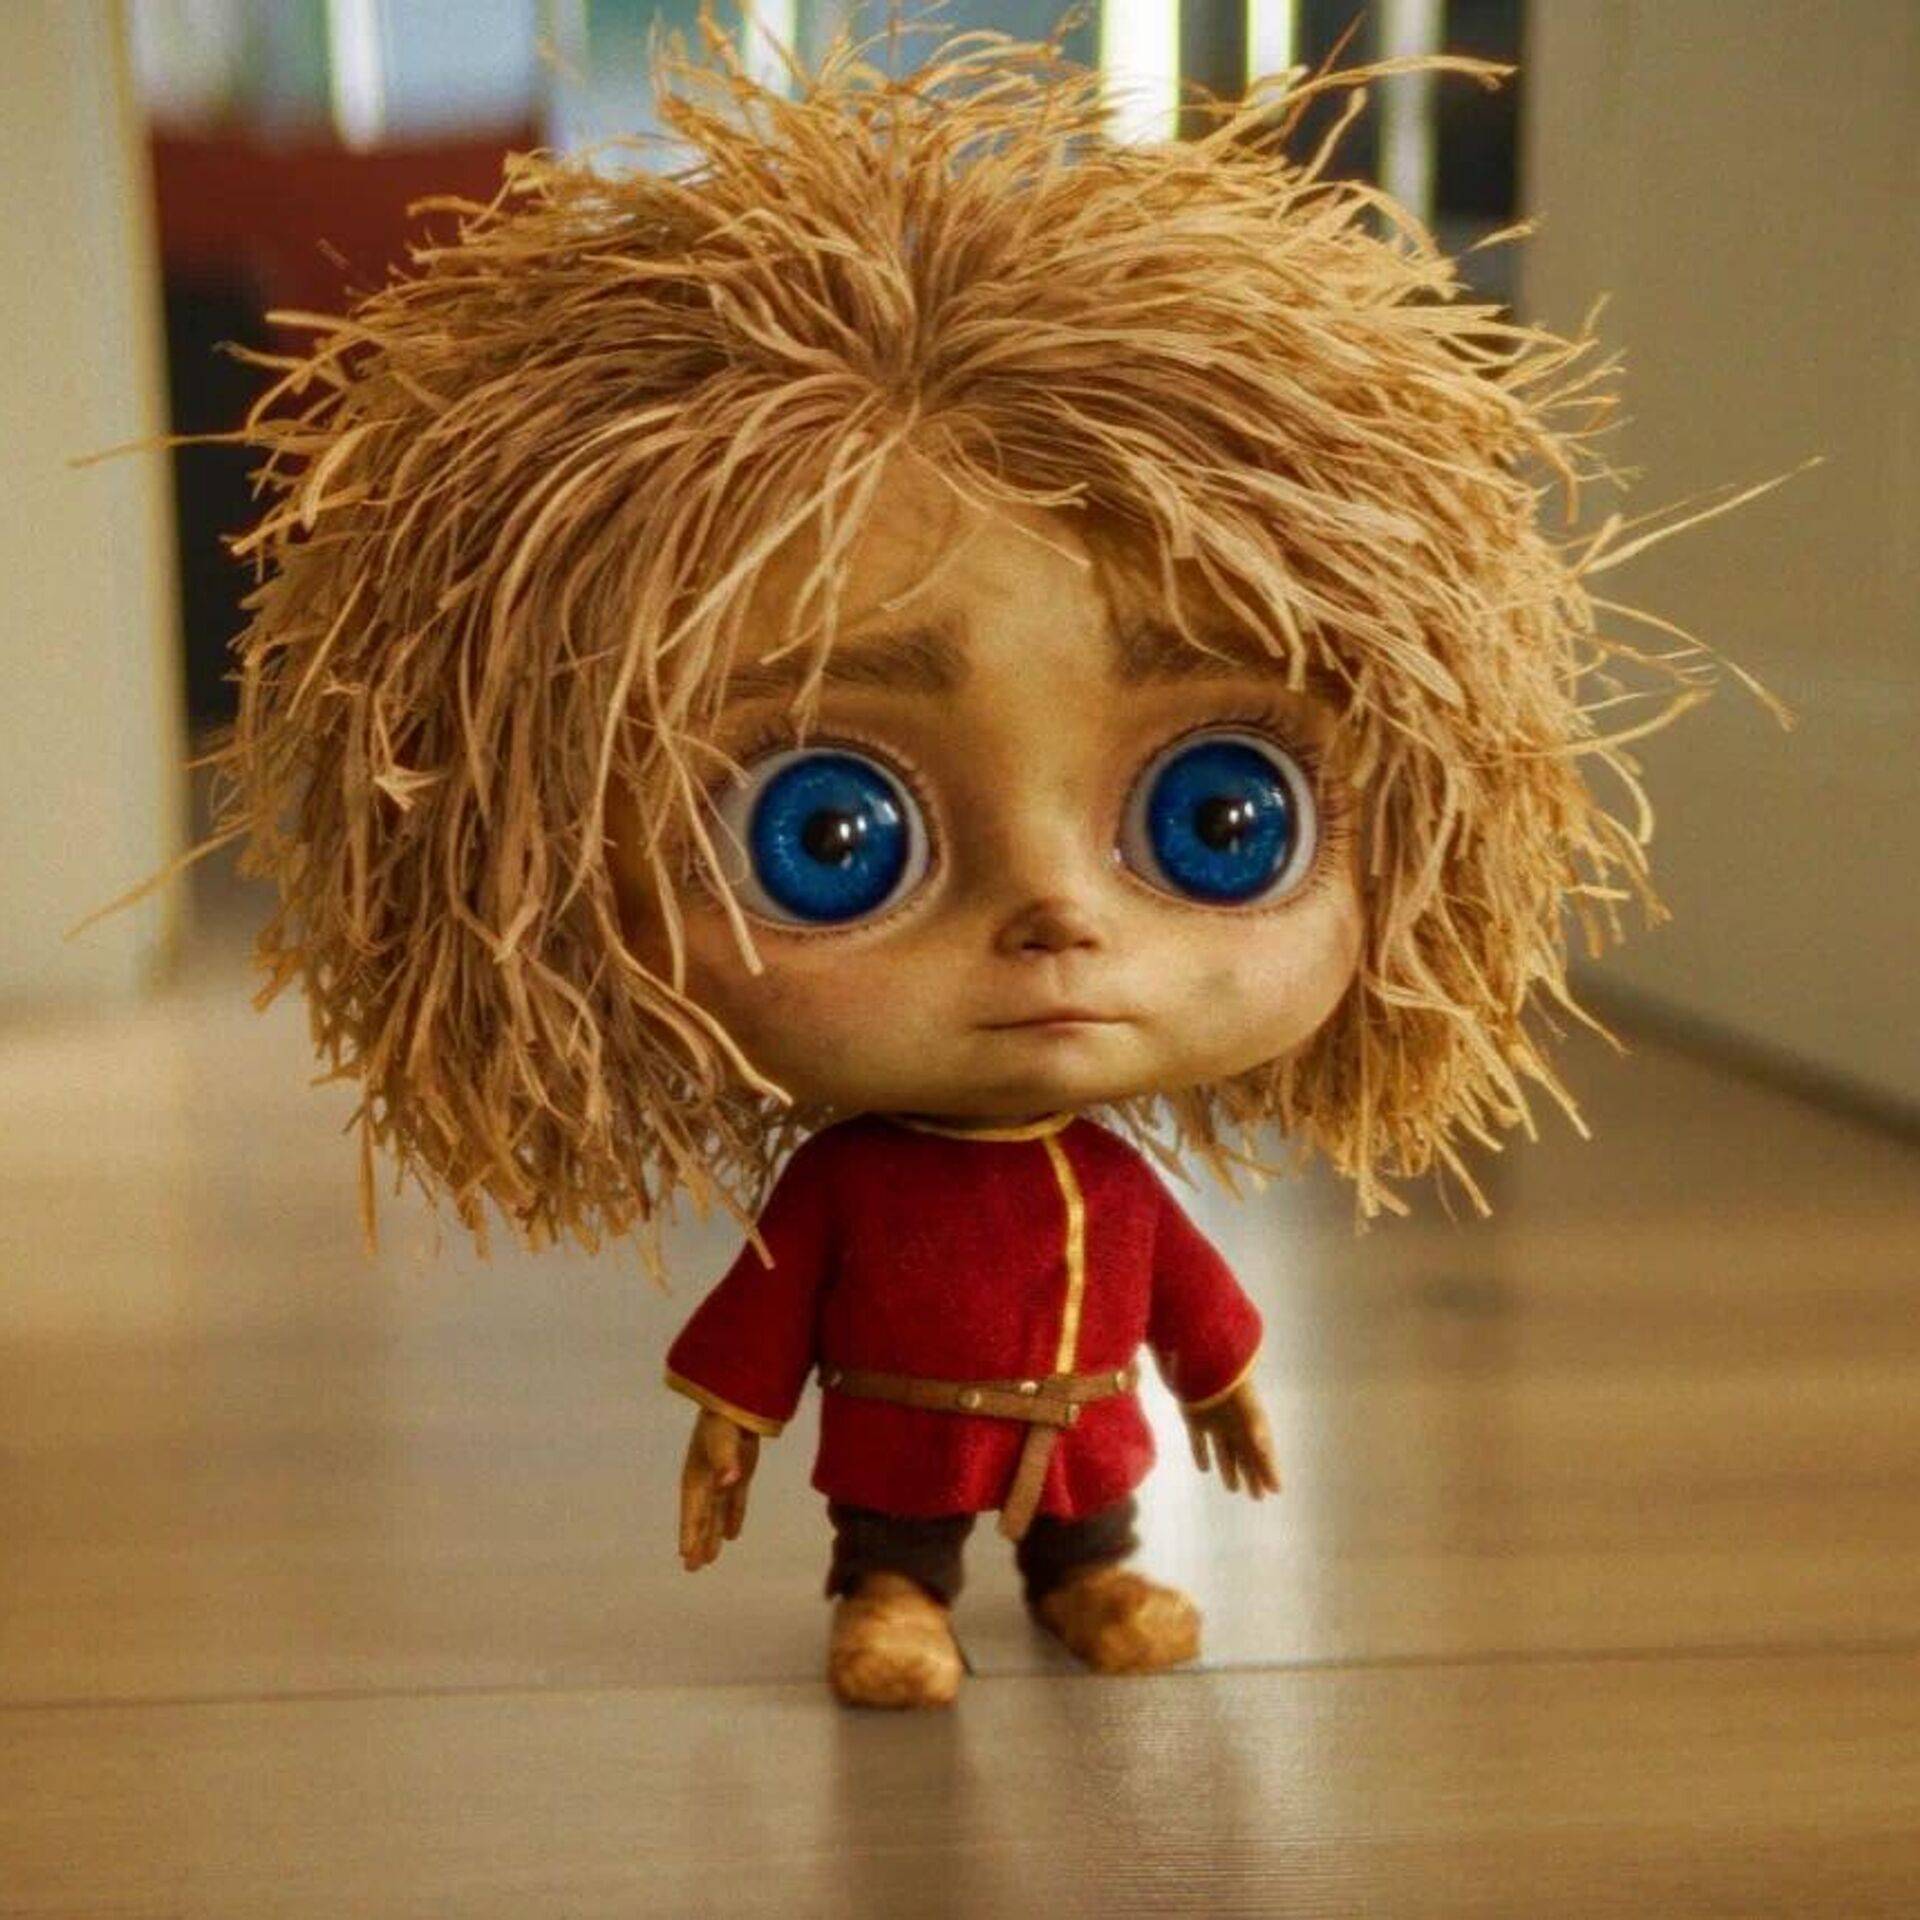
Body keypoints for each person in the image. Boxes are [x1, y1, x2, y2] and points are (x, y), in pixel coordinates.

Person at [185, 18, 1749, 1707]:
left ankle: (1090, 1571)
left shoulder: (1111, 1189)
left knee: (1093, 1509)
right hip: (904, 1445)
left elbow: (1187, 1297)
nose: (1057, 917)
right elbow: (765, 1324)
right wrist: (725, 1430)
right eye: (828, 838)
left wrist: (1221, 1387)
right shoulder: (848, 1194)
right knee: (900, 1524)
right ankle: (892, 1594)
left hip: (1081, 1435)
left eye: (1220, 814)